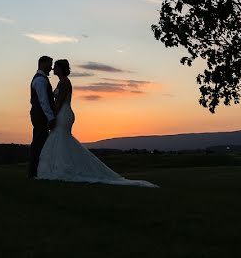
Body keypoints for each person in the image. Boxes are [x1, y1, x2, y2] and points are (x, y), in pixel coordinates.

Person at [36, 59, 157, 187]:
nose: (53, 68)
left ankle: (64, 170)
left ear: (61, 68)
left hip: (63, 114)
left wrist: (52, 118)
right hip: (64, 113)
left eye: (56, 66)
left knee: (61, 139)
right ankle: (60, 169)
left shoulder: (64, 82)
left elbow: (59, 102)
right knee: (61, 141)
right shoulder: (62, 82)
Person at [28, 55, 56, 178]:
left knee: (40, 141)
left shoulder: (42, 79)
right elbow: (43, 101)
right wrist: (51, 118)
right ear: (43, 64)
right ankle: (33, 172)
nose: (51, 68)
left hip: (39, 114)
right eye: (50, 64)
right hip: (40, 116)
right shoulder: (40, 80)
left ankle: (37, 171)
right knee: (39, 143)